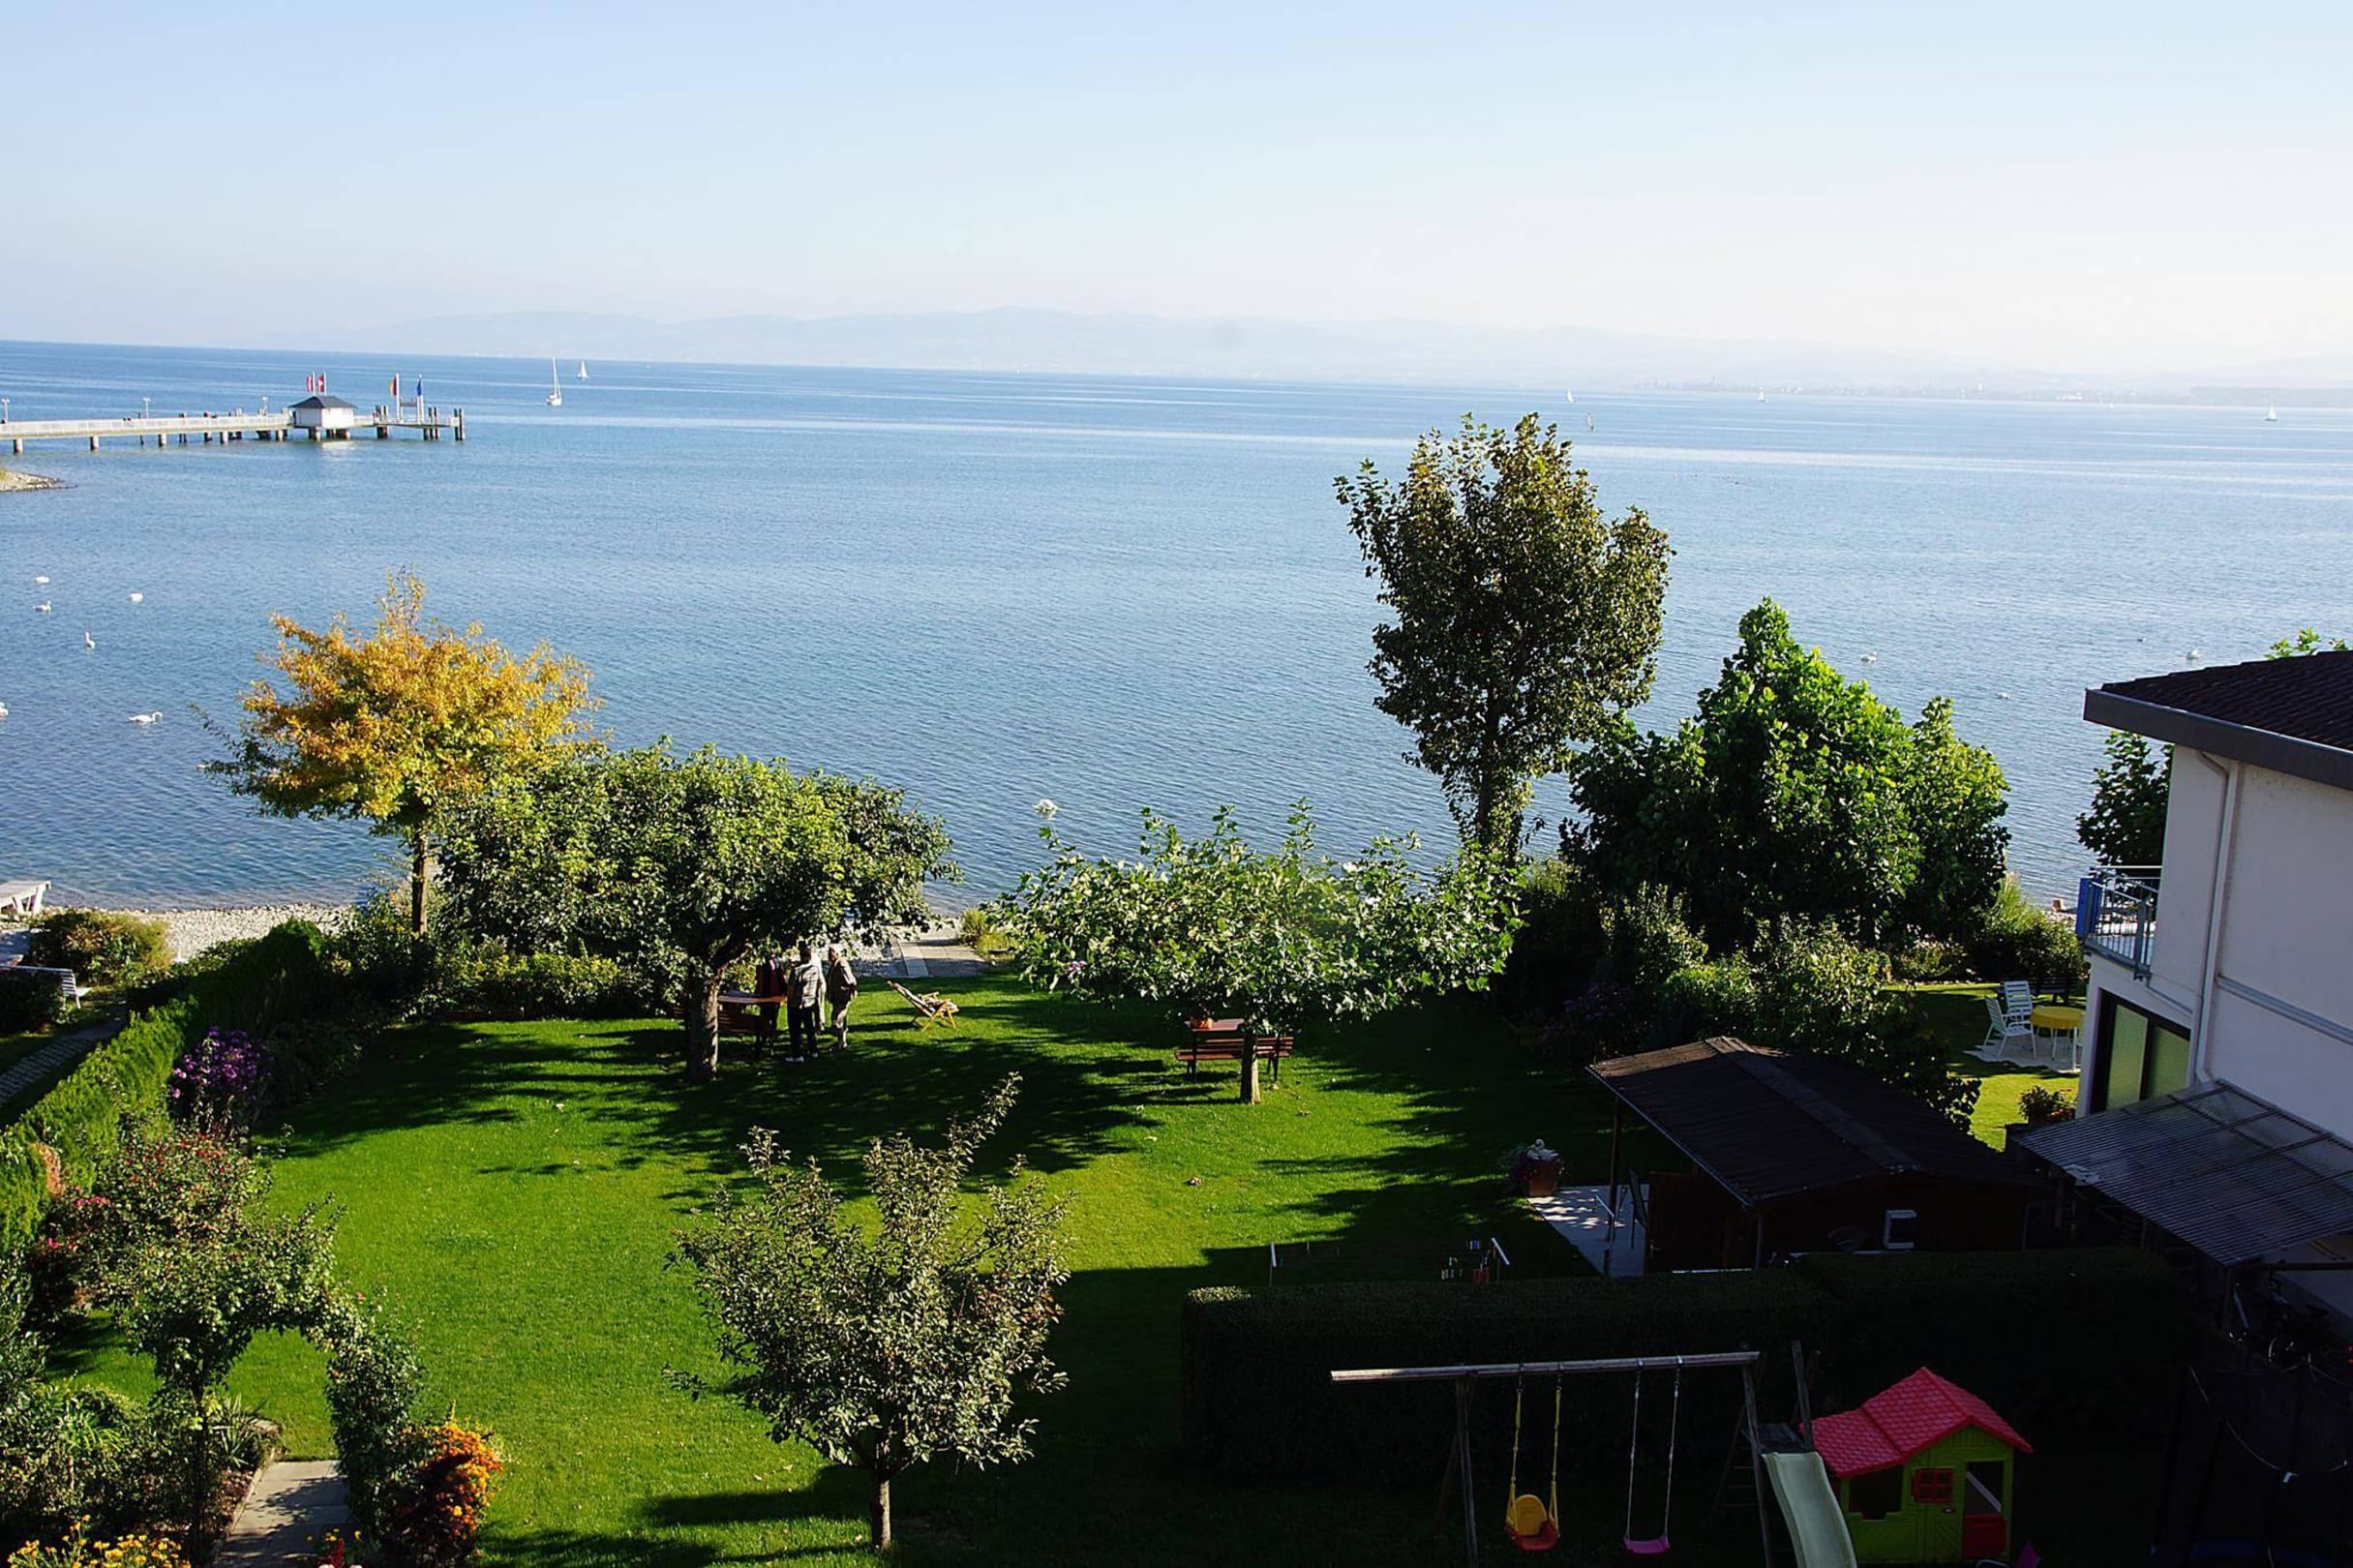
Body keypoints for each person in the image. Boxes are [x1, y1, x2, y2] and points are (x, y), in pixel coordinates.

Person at [787, 942, 824, 1062]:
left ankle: (797, 1055)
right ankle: (813, 1051)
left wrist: (789, 1001)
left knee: (795, 1030)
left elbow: (791, 989)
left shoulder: (797, 971)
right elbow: (818, 983)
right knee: (809, 1028)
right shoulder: (815, 969)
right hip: (809, 1002)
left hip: (797, 1004)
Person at [824, 942, 859, 1051]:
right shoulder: (835, 964)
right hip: (837, 997)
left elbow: (850, 980)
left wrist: (852, 990)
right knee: (840, 1020)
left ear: (837, 953)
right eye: (829, 952)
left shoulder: (841, 963)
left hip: (843, 996)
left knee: (836, 1019)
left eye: (832, 952)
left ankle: (841, 1041)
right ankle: (841, 1043)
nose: (829, 955)